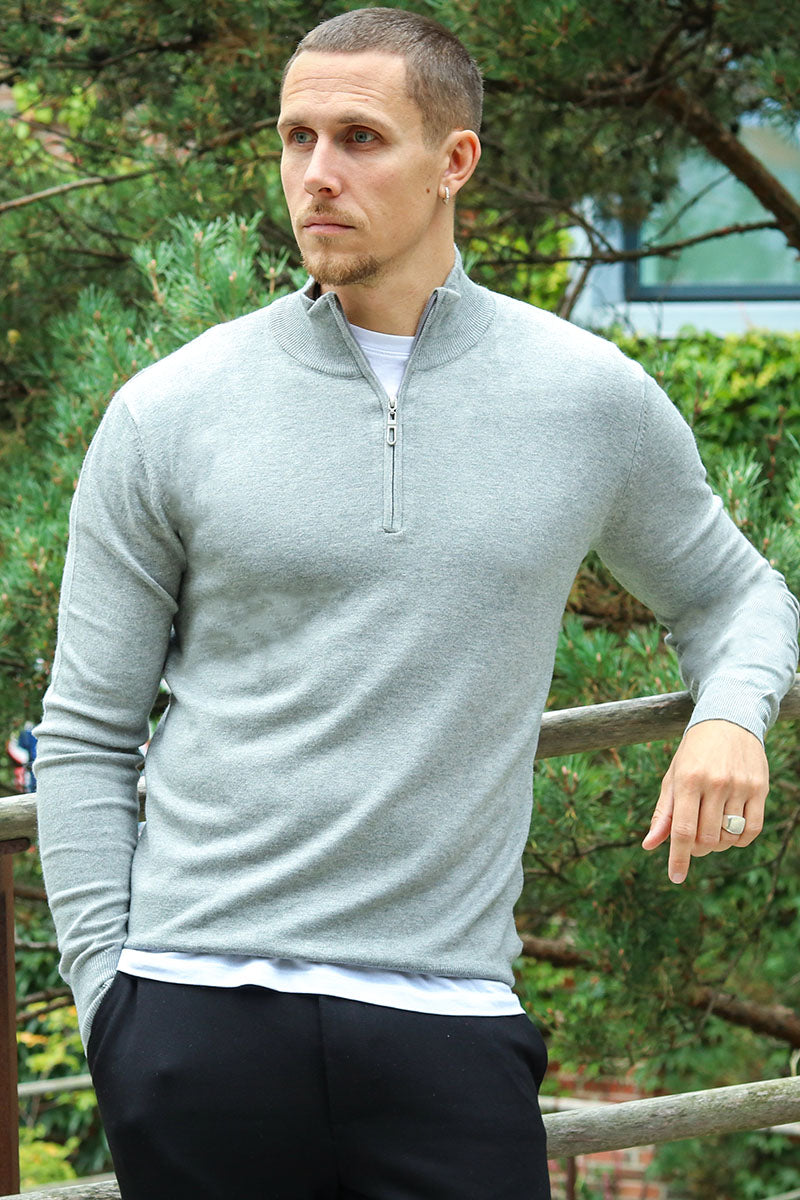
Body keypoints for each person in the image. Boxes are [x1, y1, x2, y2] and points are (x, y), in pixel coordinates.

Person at [33, 8, 799, 1200]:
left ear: (454, 162)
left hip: (449, 1019)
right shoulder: (168, 411)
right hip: (193, 1014)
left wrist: (727, 715)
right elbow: (86, 733)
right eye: (294, 137)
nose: (315, 174)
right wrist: (109, 1006)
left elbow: (735, 593)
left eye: (358, 137)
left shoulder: (584, 399)